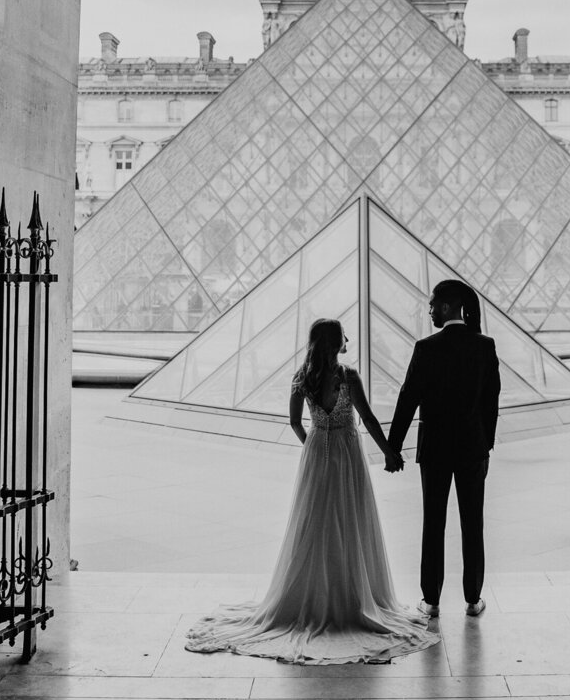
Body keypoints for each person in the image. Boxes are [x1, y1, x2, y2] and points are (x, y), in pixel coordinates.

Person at [184, 318, 439, 664]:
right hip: (348, 454)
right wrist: (389, 452)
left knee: (314, 526)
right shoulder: (348, 377)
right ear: (336, 343)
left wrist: (313, 446)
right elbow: (367, 418)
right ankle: (351, 597)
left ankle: (311, 595)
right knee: (350, 522)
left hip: (318, 453)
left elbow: (293, 421)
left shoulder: (301, 377)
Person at [386, 278, 500, 617]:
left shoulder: (426, 348)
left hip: (434, 450)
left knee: (433, 523)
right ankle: (472, 599)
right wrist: (487, 446)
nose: (430, 310)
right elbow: (490, 403)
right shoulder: (484, 346)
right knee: (472, 523)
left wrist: (394, 448)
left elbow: (407, 399)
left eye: (433, 304)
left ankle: (431, 601)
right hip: (471, 448)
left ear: (448, 306)